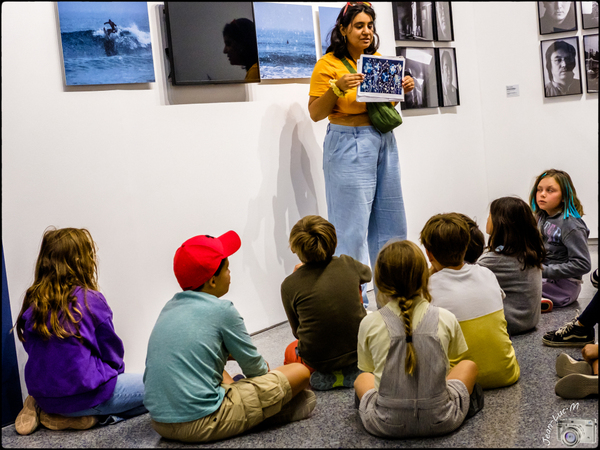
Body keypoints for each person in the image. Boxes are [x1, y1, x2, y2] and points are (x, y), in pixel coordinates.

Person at [143, 231, 316, 443]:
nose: (230, 272)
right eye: (227, 268)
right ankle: (258, 414)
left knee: (220, 372)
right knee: (300, 374)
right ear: (212, 281)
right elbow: (257, 371)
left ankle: (245, 404)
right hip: (201, 422)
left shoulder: (169, 308)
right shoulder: (223, 310)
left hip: (160, 423)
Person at [308, 2, 415, 309]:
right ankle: (354, 305)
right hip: (347, 142)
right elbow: (316, 113)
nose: (366, 31)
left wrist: (401, 88)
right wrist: (337, 89)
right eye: (359, 25)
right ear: (343, 29)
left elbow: (382, 106)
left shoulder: (377, 61)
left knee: (391, 223)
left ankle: (393, 297)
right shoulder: (327, 65)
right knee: (350, 229)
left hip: (383, 141)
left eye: (370, 25)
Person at [13, 227, 147, 436]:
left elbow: (36, 351)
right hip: (89, 397)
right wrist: (112, 376)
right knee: (159, 390)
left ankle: (56, 414)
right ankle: (98, 418)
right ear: (82, 261)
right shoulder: (89, 300)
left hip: (47, 399)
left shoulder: (33, 302)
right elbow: (112, 354)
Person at [354, 239, 482, 438]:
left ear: (379, 282)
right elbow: (455, 358)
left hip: (386, 424)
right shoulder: (445, 317)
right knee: (468, 365)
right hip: (442, 419)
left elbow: (367, 368)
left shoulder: (369, 324)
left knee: (362, 378)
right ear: (425, 277)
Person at [421, 213, 520, 389]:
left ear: (429, 254)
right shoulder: (487, 274)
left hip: (459, 382)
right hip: (507, 373)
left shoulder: (427, 288)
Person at [280, 215, 371, 390]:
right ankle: (353, 370)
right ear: (334, 242)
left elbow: (297, 332)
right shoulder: (348, 263)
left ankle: (320, 374)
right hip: (358, 349)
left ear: (294, 248)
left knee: (291, 351)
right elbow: (367, 275)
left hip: (318, 359)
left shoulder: (289, 285)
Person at [476, 197, 546, 335]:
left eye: (490, 215)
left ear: (500, 223)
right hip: (530, 320)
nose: (487, 219)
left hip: (511, 324)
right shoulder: (528, 251)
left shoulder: (494, 260)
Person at [529, 169, 591, 311]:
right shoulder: (541, 217)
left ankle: (536, 301)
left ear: (564, 196)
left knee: (513, 292)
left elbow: (583, 264)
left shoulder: (571, 225)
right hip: (544, 277)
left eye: (550, 190)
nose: (542, 194)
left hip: (563, 286)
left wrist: (541, 271)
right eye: (539, 190)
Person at [543, 269, 598, 346]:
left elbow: (594, 277)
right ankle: (582, 325)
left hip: (564, 285)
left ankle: (582, 326)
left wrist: (542, 270)